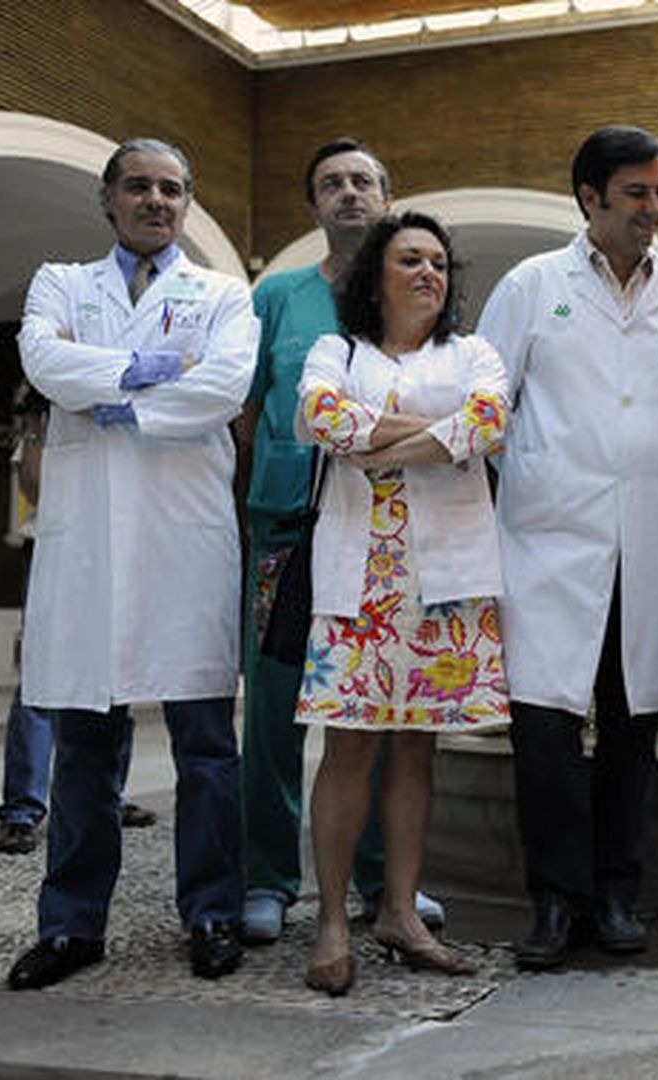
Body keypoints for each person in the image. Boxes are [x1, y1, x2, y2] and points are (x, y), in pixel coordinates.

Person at [7, 138, 257, 990]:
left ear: (186, 203)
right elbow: (43, 362)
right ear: (108, 198)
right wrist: (148, 371)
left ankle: (213, 912)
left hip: (184, 540)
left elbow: (223, 388)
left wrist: (111, 393)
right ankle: (71, 927)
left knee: (206, 747)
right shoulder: (60, 283)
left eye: (172, 189)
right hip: (88, 542)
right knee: (84, 748)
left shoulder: (223, 294)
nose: (156, 200)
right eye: (139, 186)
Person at [478, 125, 658, 970]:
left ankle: (615, 892)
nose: (655, 208)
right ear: (590, 199)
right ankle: (554, 898)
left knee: (633, 722)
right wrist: (539, 474)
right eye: (637, 194)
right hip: (548, 542)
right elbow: (486, 406)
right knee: (543, 726)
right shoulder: (531, 286)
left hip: (649, 540)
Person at [237, 138, 445, 945]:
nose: (348, 193)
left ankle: (379, 881)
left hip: (383, 528)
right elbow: (248, 410)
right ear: (313, 204)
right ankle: (267, 877)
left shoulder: (407, 296)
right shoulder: (278, 297)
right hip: (287, 526)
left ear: (387, 198)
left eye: (363, 181)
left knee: (375, 705)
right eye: (331, 183)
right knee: (275, 704)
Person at [294, 210, 507, 995]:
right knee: (348, 748)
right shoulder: (338, 351)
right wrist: (437, 434)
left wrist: (376, 444)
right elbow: (320, 416)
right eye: (411, 259)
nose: (429, 273)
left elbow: (489, 423)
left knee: (418, 749)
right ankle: (332, 922)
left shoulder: (472, 352)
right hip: (359, 580)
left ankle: (400, 912)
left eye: (440, 263)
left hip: (444, 581)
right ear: (375, 276)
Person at [0, 381, 155, 857]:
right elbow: (34, 485)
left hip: (117, 546)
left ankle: (110, 794)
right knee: (41, 678)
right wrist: (39, 424)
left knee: (115, 676)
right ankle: (22, 809)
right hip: (57, 548)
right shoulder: (45, 415)